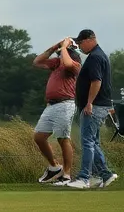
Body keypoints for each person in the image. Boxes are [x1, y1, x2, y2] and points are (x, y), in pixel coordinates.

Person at [66, 29, 117, 190]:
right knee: (92, 142)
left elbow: (97, 82)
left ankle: (84, 178)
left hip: (94, 106)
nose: (80, 47)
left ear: (90, 40)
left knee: (87, 141)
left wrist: (89, 103)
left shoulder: (95, 57)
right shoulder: (98, 55)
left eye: (81, 43)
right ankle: (105, 174)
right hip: (99, 105)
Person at [31, 38, 80, 185]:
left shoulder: (75, 65)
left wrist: (64, 47)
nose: (60, 55)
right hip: (51, 106)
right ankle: (54, 167)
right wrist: (54, 47)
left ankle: (66, 174)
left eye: (64, 52)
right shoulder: (57, 64)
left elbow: (67, 62)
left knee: (62, 138)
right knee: (39, 137)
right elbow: (37, 62)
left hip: (65, 104)